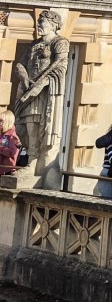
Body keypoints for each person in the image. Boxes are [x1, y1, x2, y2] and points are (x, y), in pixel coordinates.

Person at [13, 10, 69, 177]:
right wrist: (24, 80)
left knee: (36, 126)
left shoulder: (60, 42)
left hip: (44, 93)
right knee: (22, 126)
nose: (39, 25)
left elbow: (60, 66)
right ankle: (31, 160)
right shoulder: (34, 44)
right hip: (28, 91)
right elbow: (19, 65)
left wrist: (41, 84)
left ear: (53, 25)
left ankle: (33, 163)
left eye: (42, 22)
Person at [0, 110, 21, 176]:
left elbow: (12, 152)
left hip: (6, 171)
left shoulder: (13, 137)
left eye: (1, 121)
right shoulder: (2, 135)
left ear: (7, 122)